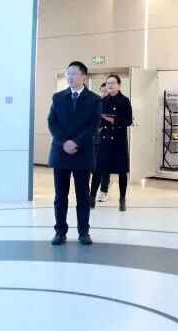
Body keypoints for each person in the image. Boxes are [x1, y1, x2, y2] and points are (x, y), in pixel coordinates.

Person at [48, 61, 101, 246]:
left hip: (82, 152)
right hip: (61, 152)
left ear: (83, 76)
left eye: (74, 73)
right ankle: (60, 232)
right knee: (60, 196)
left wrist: (76, 142)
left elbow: (93, 125)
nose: (70, 77)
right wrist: (65, 142)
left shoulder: (94, 99)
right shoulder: (58, 97)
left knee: (83, 196)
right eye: (67, 73)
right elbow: (52, 122)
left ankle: (83, 232)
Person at [92, 74, 133, 211]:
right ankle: (92, 197)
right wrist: (99, 123)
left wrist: (113, 120)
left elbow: (128, 121)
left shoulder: (124, 100)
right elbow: (99, 119)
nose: (110, 85)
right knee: (98, 169)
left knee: (122, 171)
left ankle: (122, 199)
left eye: (112, 83)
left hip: (119, 140)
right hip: (104, 139)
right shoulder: (103, 101)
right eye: (108, 83)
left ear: (119, 85)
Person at [90, 82, 111, 206]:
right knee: (94, 167)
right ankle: (92, 191)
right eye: (102, 91)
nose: (103, 93)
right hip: (94, 140)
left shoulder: (111, 105)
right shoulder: (95, 104)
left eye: (106, 91)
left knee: (104, 167)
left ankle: (103, 191)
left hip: (106, 140)